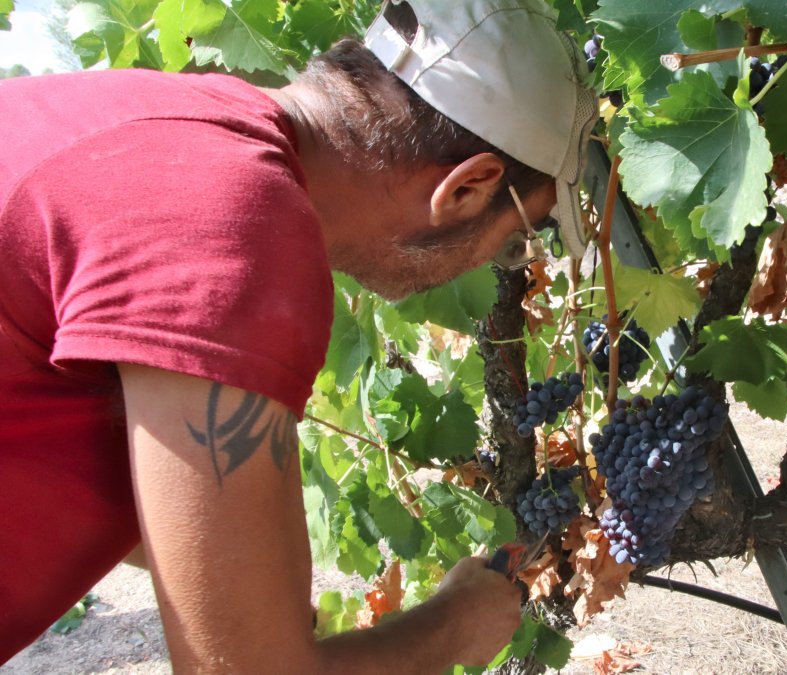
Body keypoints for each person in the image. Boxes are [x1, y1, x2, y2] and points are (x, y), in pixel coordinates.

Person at [0, 0, 598, 670]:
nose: (500, 262)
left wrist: (244, 583)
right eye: (514, 241)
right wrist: (451, 629)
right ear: (467, 188)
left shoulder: (172, 120)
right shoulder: (233, 231)